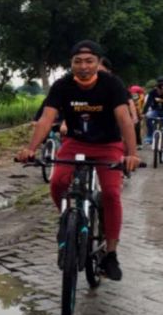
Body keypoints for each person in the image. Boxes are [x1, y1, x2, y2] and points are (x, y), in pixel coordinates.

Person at [16, 40, 140, 281]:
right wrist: (31, 148)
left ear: (98, 63)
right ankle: (67, 221)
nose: (84, 66)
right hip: (75, 143)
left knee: (112, 194)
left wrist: (131, 153)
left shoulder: (111, 84)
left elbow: (124, 120)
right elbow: (46, 119)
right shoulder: (62, 86)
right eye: (78, 61)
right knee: (58, 183)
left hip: (108, 145)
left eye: (89, 61)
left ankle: (110, 254)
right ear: (71, 64)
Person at [129, 85, 146, 150]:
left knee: (137, 129)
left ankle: (139, 143)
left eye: (135, 93)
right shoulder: (129, 97)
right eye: (132, 93)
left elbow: (142, 107)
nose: (133, 94)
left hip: (138, 115)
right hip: (130, 113)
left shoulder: (141, 99)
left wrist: (141, 114)